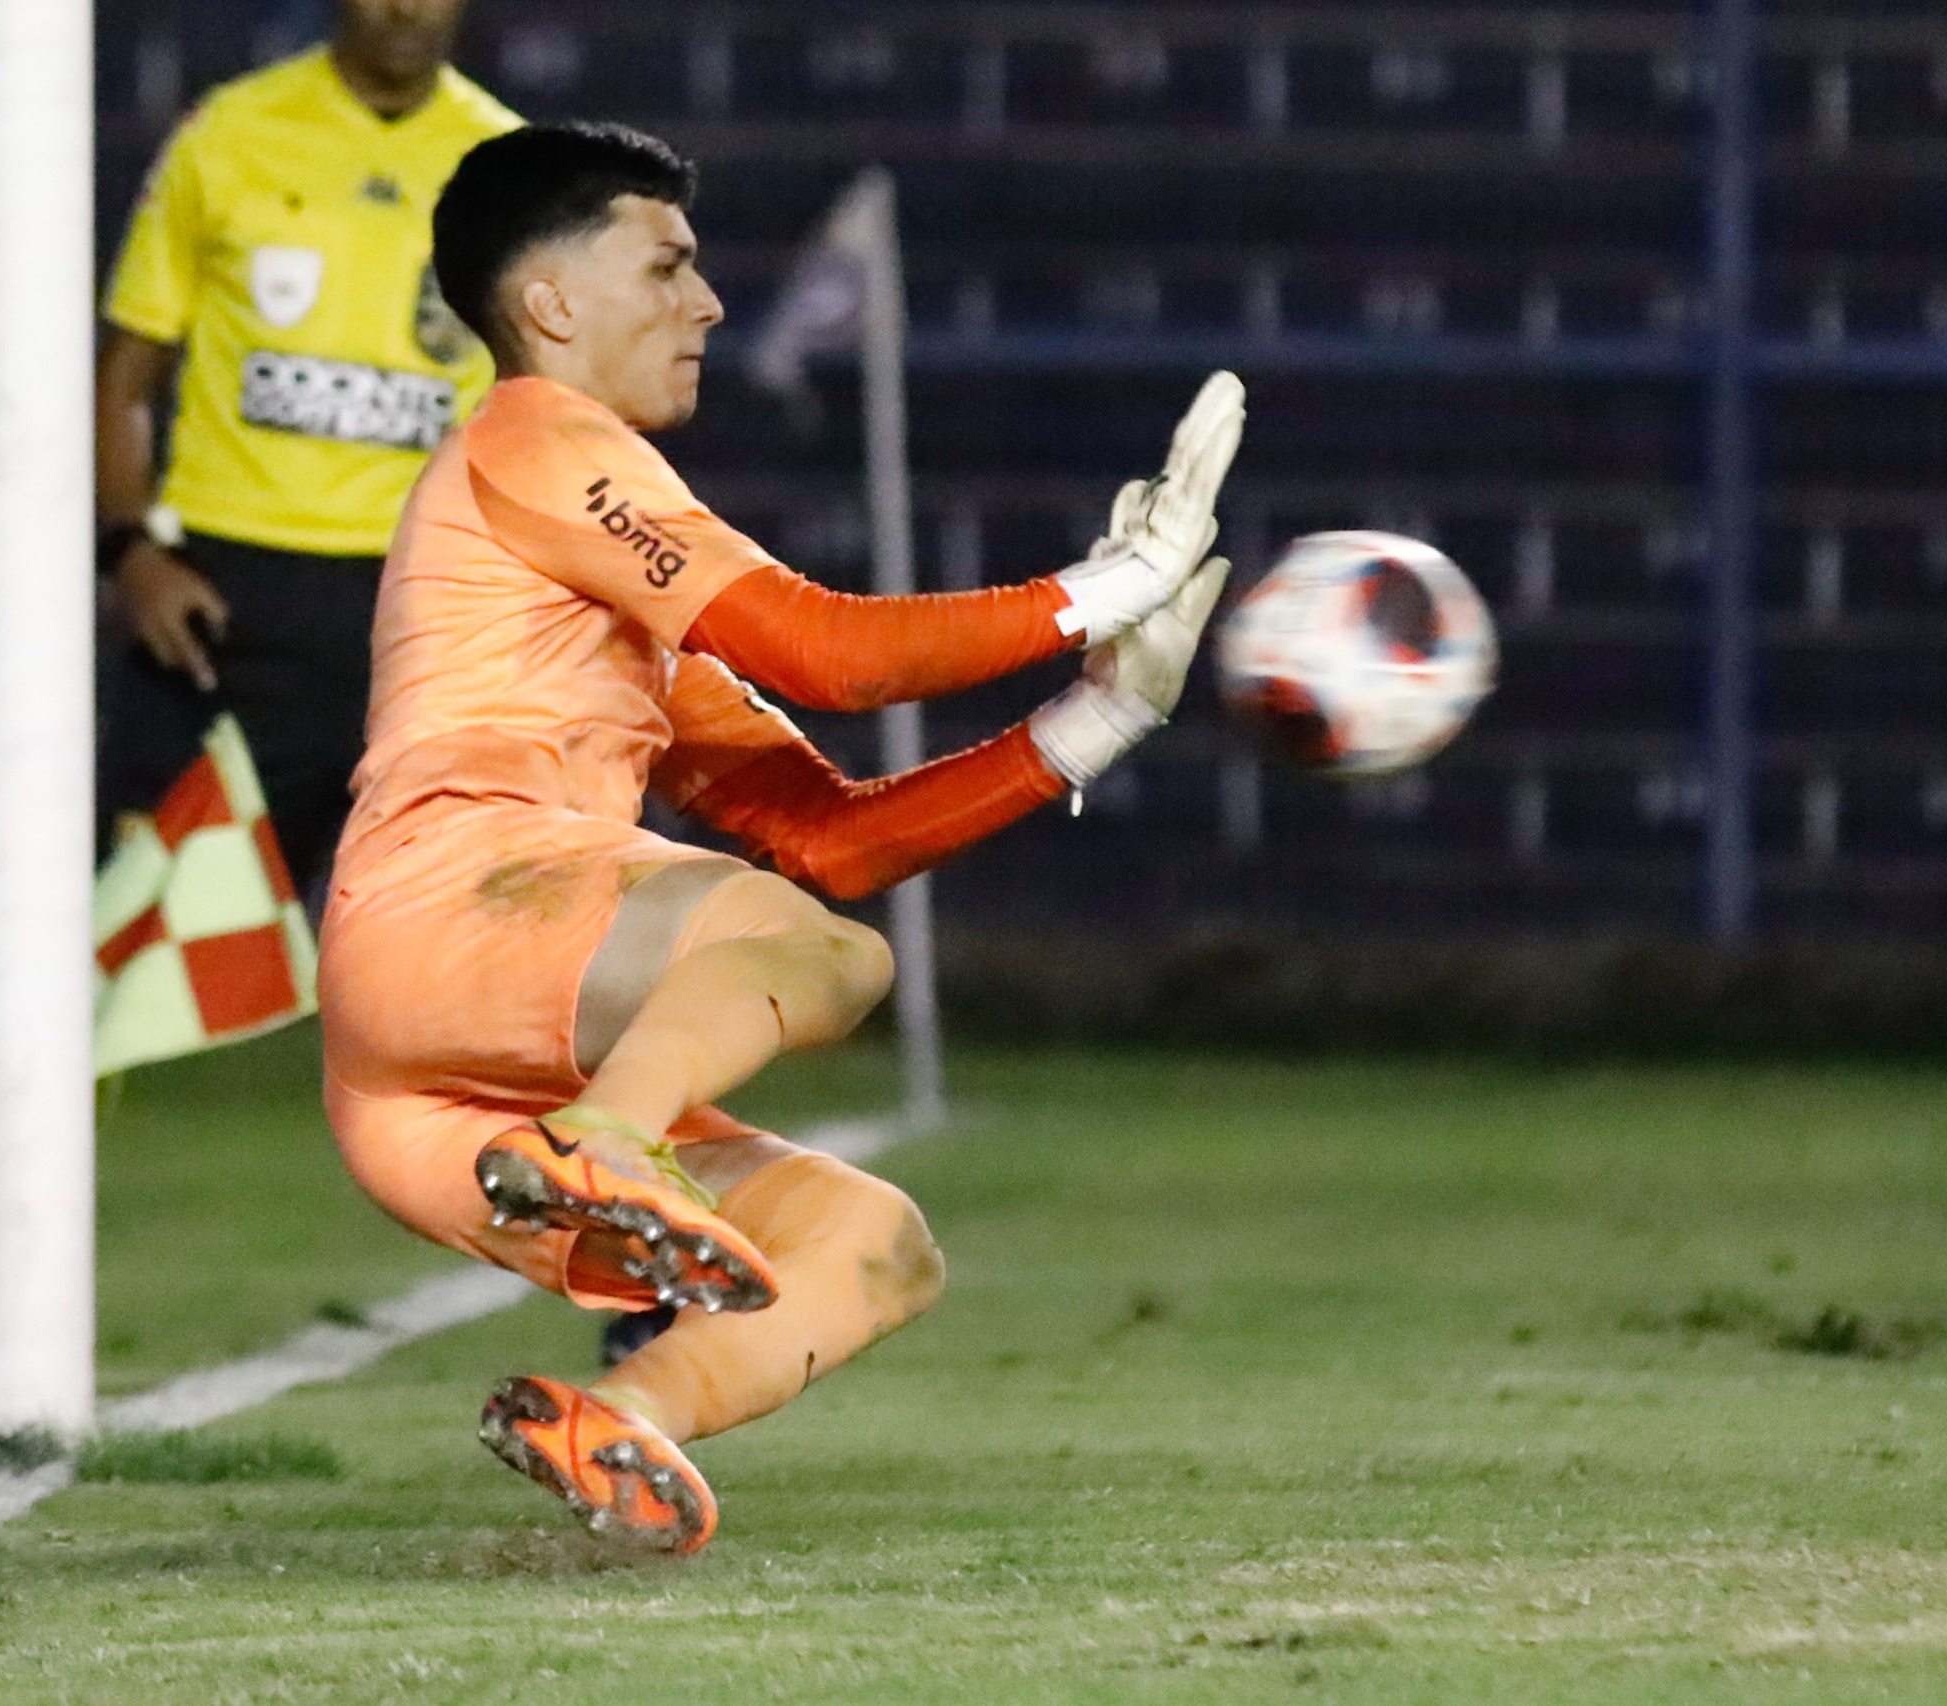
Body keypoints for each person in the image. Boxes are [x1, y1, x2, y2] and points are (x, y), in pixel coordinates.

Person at [316, 121, 1244, 1552]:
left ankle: (624, 1419)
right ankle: (616, 1136)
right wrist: (1105, 582)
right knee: (820, 958)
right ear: (551, 303)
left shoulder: (600, 593)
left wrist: (1095, 721)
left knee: (876, 1243)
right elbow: (831, 652)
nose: (710, 304)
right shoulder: (539, 433)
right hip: (452, 908)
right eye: (670, 265)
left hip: (434, 1084)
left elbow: (829, 837)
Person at [96, 0, 516, 899]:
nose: (405, 7)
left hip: (419, 602)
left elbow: (552, 414)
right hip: (224, 595)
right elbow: (126, 378)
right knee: (134, 933)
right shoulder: (229, 133)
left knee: (440, 945)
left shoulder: (511, 167)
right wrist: (131, 555)